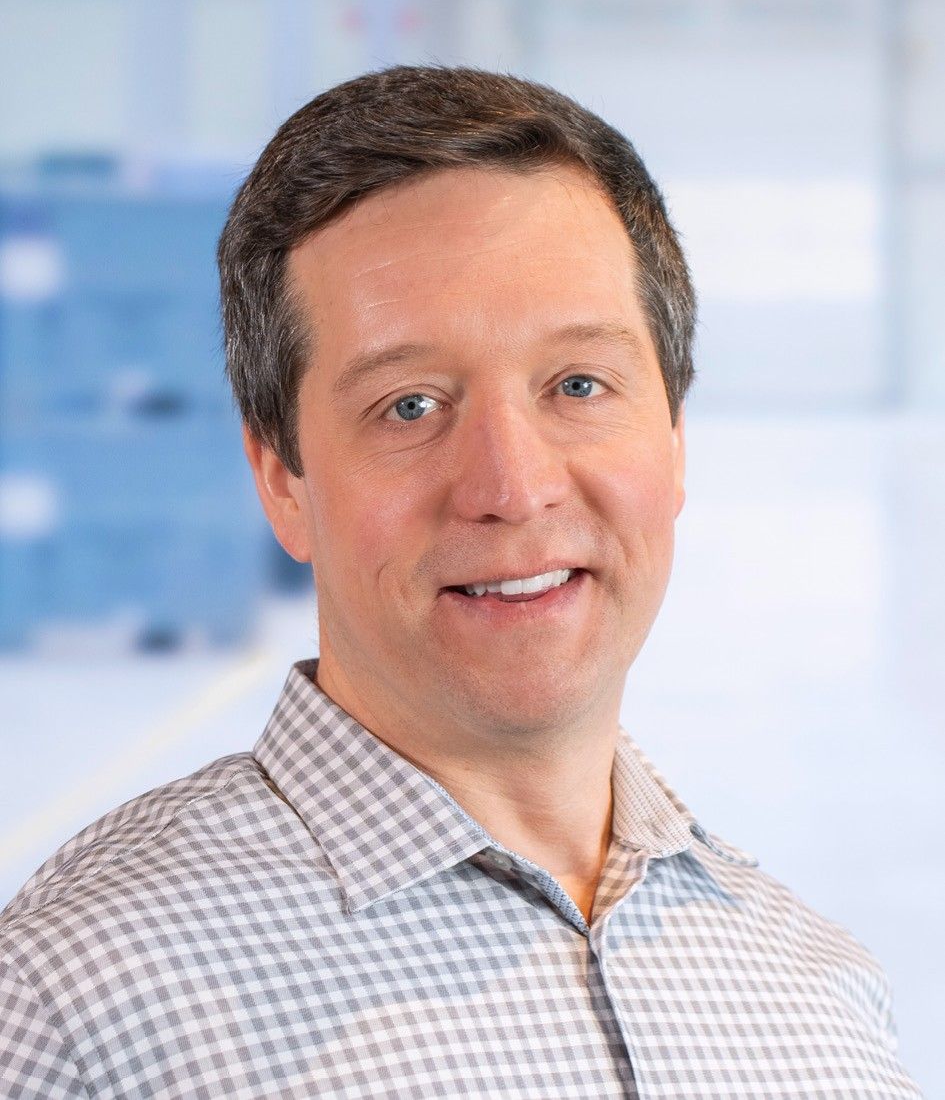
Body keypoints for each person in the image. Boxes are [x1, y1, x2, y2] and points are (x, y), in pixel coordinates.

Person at [0, 66, 922, 1099]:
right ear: (282, 480)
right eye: (410, 405)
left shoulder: (820, 989)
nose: (513, 487)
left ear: (673, 439)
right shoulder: (68, 1005)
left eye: (579, 384)